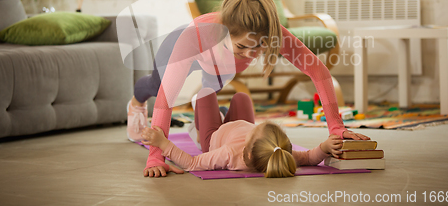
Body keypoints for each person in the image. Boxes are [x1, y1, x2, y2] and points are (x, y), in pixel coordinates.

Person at [129, 0, 370, 178]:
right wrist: (155, 156)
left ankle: (216, 121)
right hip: (185, 47)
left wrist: (336, 128)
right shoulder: (196, 36)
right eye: (243, 46)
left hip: (219, 64)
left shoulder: (273, 33)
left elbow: (318, 71)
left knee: (209, 91)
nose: (250, 55)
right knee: (156, 85)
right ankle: (136, 103)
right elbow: (165, 99)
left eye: (259, 47)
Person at [141, 90, 344, 178]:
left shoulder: (229, 153)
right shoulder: (280, 152)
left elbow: (192, 164)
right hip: (235, 126)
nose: (252, 128)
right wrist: (324, 149)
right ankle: (223, 114)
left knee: (206, 93)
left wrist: (163, 143)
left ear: (246, 153)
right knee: (241, 97)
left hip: (214, 136)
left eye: (253, 130)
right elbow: (309, 158)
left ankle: (198, 128)